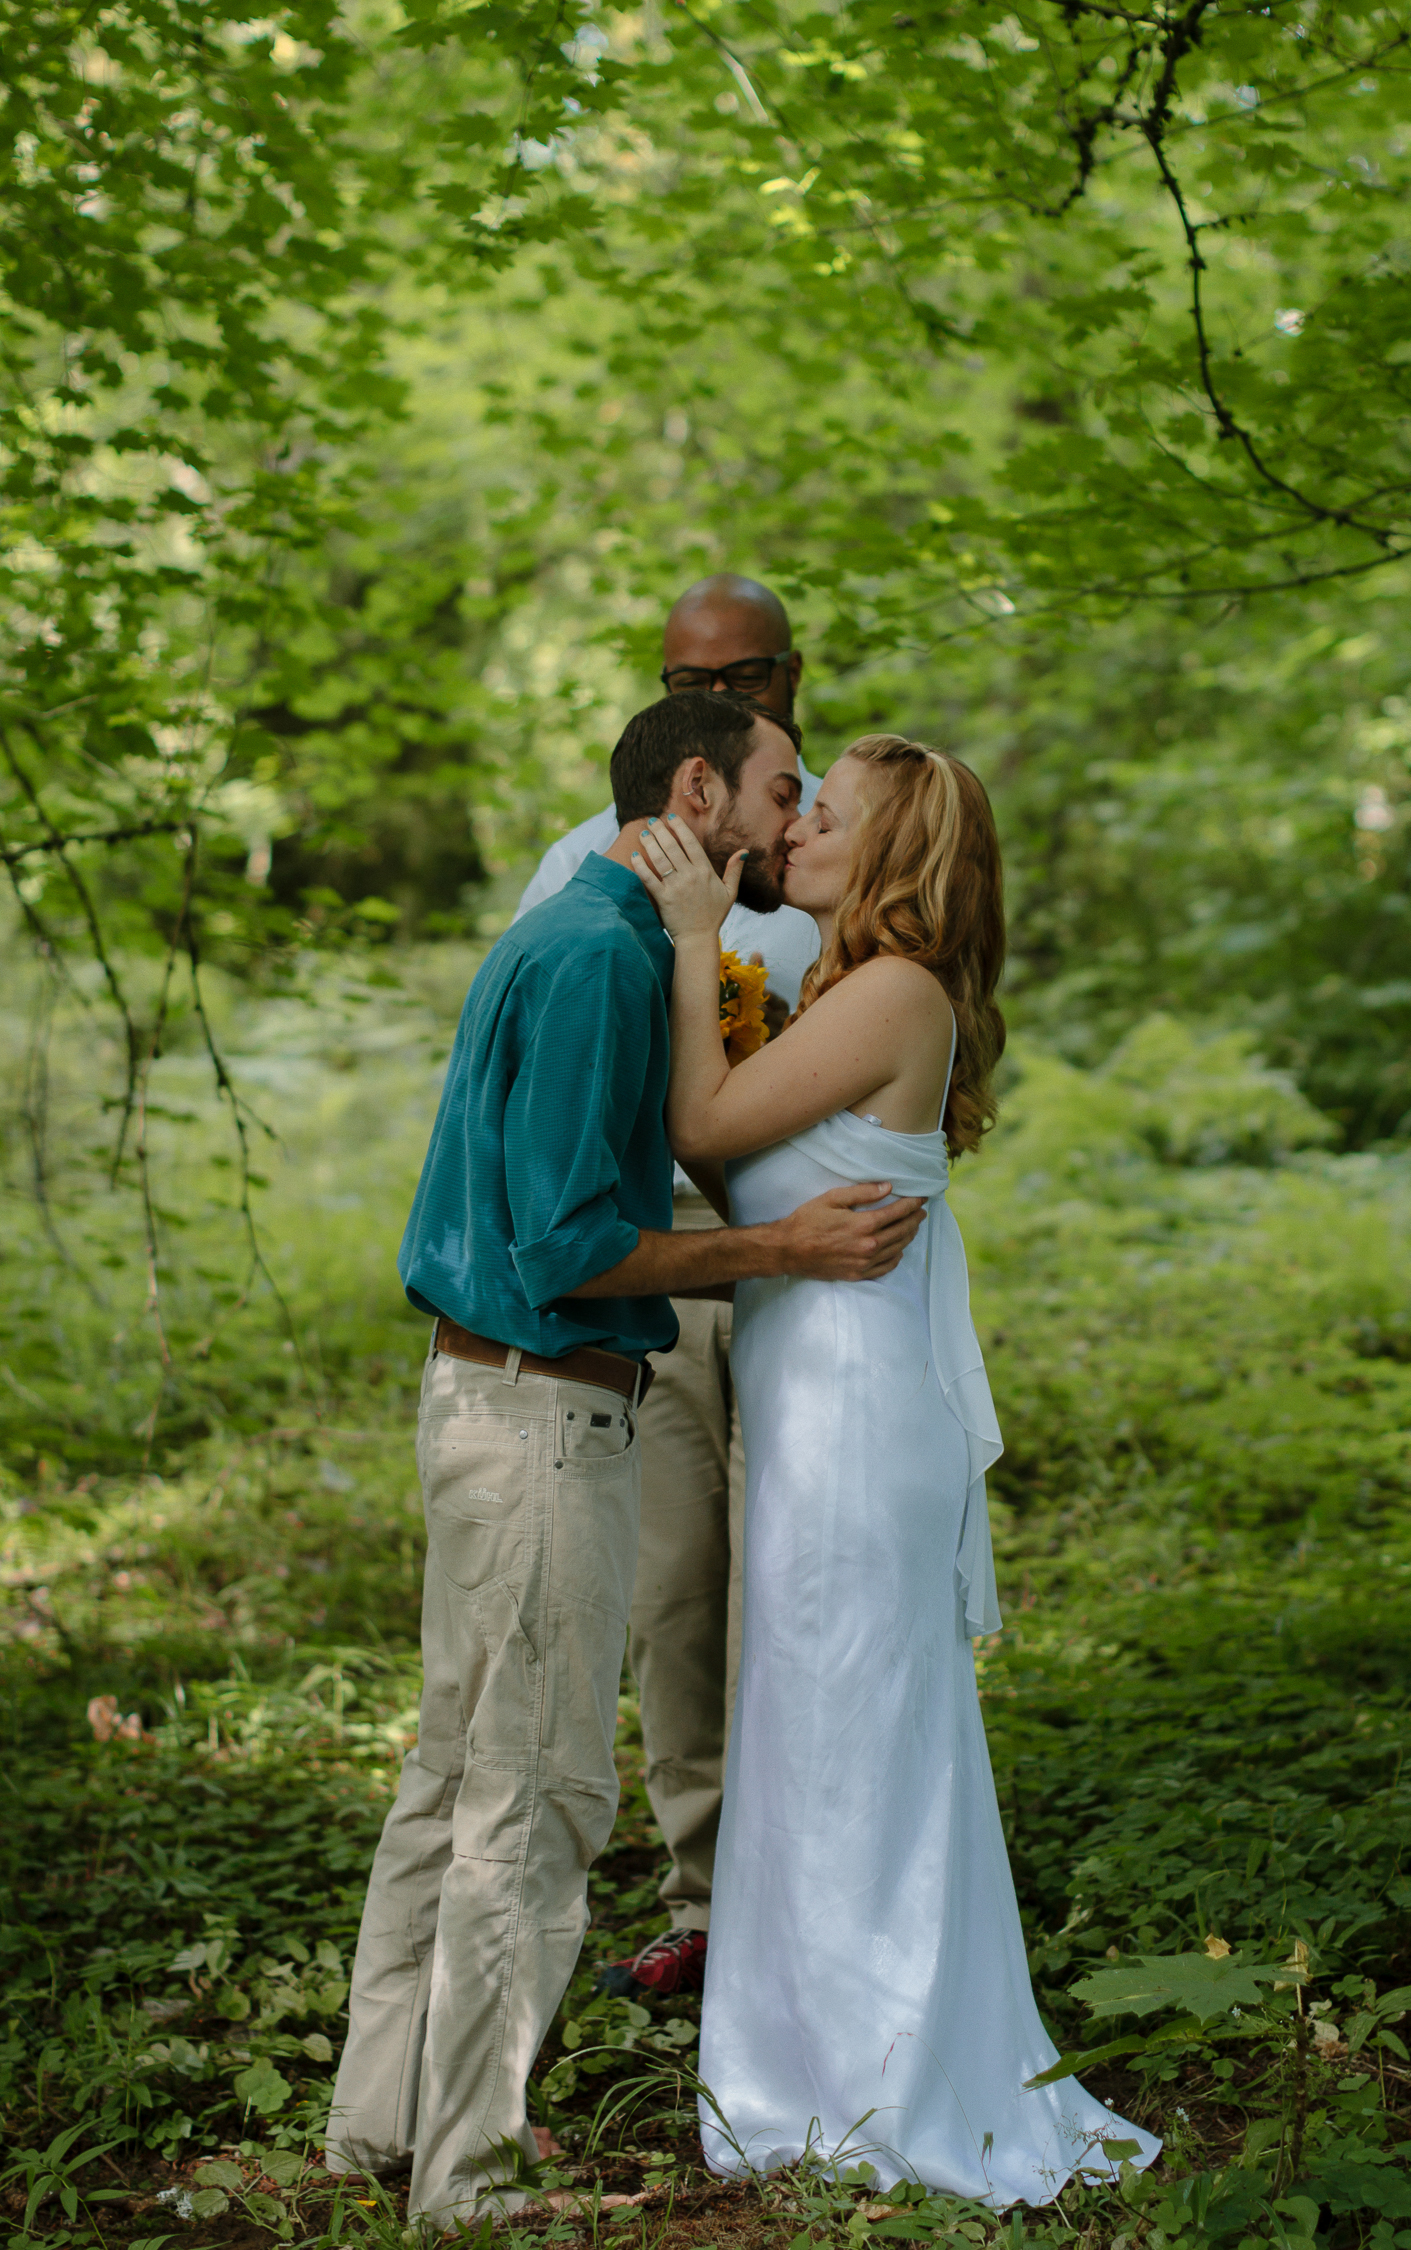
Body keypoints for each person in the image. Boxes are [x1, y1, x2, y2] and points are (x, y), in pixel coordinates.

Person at [324, 694, 927, 2231]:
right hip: (539, 1418)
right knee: (536, 1795)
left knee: (453, 1775)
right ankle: (467, 2176)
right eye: (784, 790)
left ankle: (377, 2125)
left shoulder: (584, 934)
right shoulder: (597, 958)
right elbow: (572, 1242)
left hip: (490, 1401)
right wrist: (781, 1247)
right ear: (697, 785)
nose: (796, 821)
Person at [632, 740, 1163, 2205]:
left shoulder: (889, 991)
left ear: (891, 860)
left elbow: (704, 1131)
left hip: (856, 1421)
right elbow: (755, 1185)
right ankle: (825, 2059)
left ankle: (877, 2071)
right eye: (801, 804)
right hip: (821, 1404)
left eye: (829, 815)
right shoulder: (845, 990)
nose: (797, 827)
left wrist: (693, 942)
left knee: (854, 1730)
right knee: (819, 1726)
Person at [514, 573, 820, 1992]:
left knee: (816, 1572)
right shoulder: (592, 856)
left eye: (751, 674)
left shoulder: (831, 830)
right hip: (676, 1256)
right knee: (682, 1582)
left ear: (791, 675)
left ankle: (825, 1868)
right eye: (693, 674)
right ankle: (708, 1891)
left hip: (826, 1256)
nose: (726, 697)